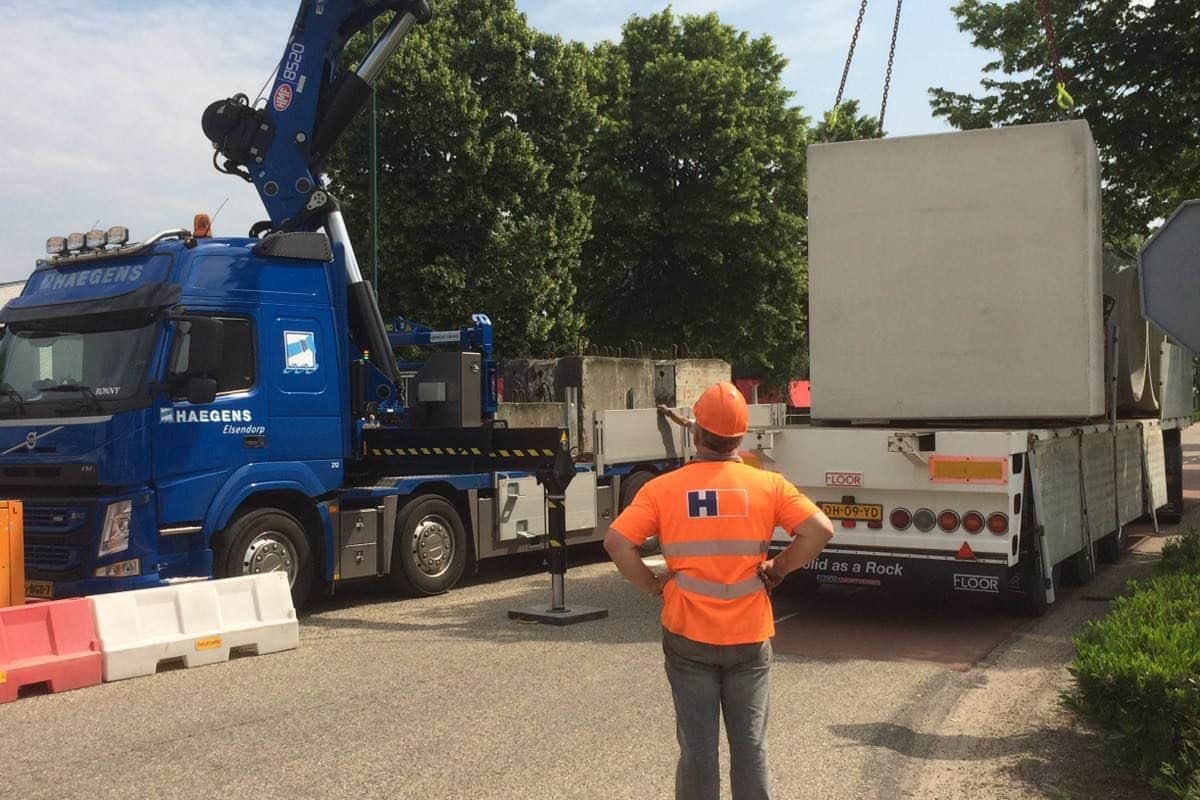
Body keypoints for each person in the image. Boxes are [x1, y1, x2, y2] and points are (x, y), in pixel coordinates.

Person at [605, 382, 834, 800]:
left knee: (697, 750)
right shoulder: (769, 485)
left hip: (688, 634)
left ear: (696, 433)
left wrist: (653, 585)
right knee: (751, 747)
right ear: (740, 436)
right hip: (749, 635)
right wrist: (778, 568)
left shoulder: (663, 489)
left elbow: (617, 542)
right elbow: (819, 530)